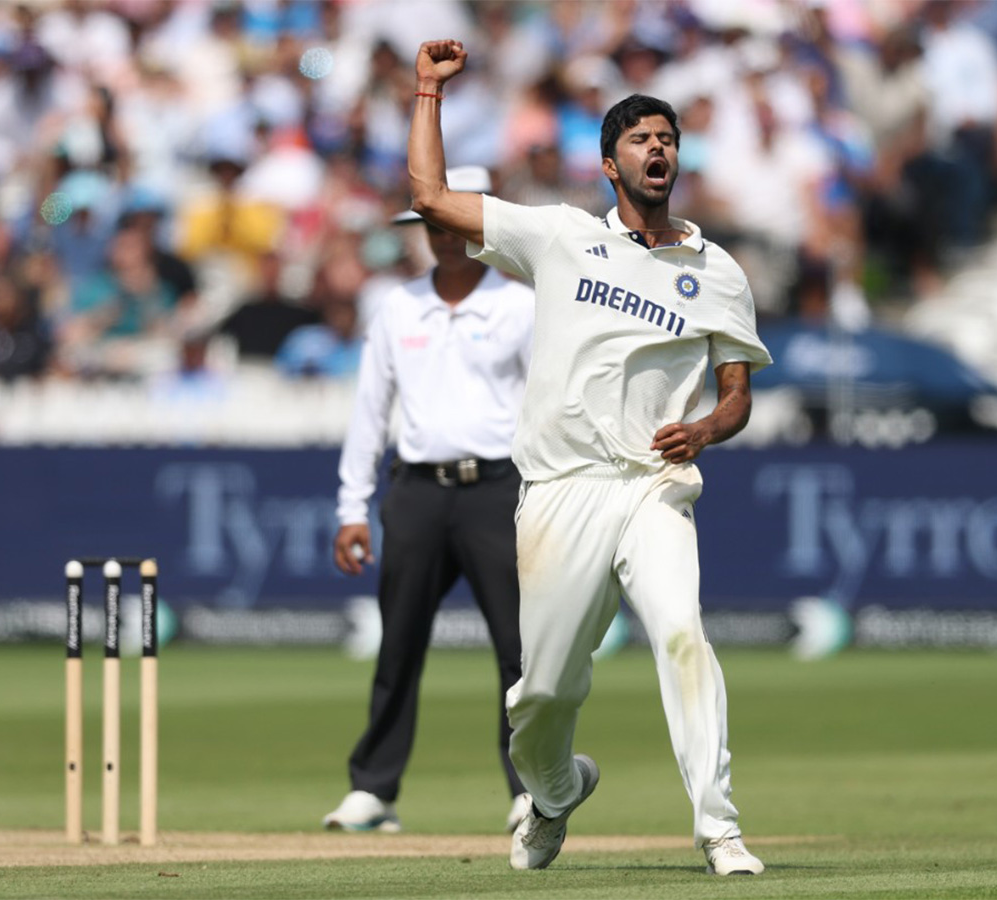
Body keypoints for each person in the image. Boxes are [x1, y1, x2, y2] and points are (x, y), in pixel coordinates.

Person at [405, 40, 772, 876]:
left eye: (668, 138)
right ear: (610, 164)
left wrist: (706, 431)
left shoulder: (715, 270)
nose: (658, 149)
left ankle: (719, 828)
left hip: (654, 486)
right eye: (641, 139)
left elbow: (737, 394)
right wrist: (427, 89)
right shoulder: (560, 239)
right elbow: (428, 196)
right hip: (561, 489)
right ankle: (555, 793)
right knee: (543, 695)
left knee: (684, 636)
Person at [323, 164, 534, 835]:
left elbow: (547, 408)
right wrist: (351, 508)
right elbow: (369, 411)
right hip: (415, 489)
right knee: (399, 642)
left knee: (519, 649)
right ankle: (374, 789)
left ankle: (531, 788)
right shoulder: (396, 305)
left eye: (457, 224)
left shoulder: (522, 303)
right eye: (433, 225)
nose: (444, 238)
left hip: (498, 488)